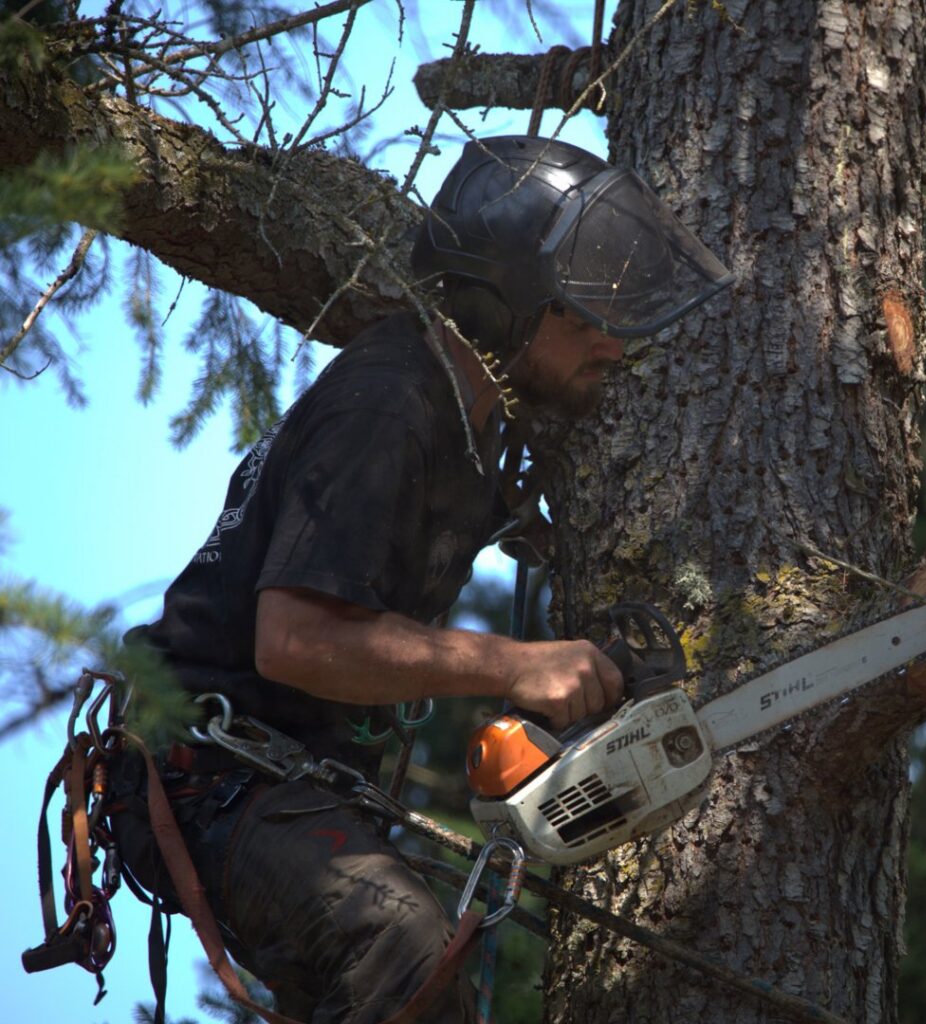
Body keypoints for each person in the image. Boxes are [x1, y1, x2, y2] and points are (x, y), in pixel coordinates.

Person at [111, 135, 733, 1024]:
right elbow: (295, 641)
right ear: (502, 309)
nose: (612, 345)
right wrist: (515, 666)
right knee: (402, 944)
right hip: (208, 775)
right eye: (581, 317)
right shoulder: (391, 404)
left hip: (286, 784)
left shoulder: (470, 414)